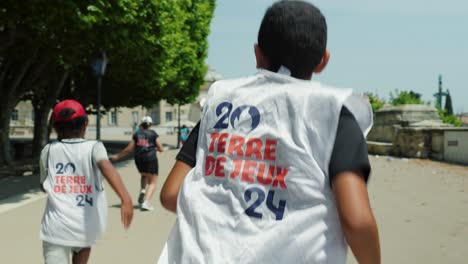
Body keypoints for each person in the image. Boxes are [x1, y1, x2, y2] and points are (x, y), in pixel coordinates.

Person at [158, 1, 380, 263]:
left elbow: (171, 193)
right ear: (323, 61)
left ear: (257, 54)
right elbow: (357, 221)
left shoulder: (221, 105)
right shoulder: (332, 112)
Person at [39, 99, 133, 264]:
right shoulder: (94, 147)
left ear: (54, 127)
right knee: (83, 251)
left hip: (55, 228)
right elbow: (107, 167)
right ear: (85, 124)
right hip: (84, 225)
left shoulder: (48, 151)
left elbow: (43, 186)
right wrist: (125, 198)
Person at [111, 116, 164, 211]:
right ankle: (146, 202)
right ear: (151, 124)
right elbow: (160, 148)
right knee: (152, 183)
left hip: (139, 159)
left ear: (142, 124)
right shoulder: (153, 134)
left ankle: (143, 190)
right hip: (151, 159)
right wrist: (158, 150)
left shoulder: (137, 134)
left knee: (144, 175)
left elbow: (129, 149)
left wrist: (118, 156)